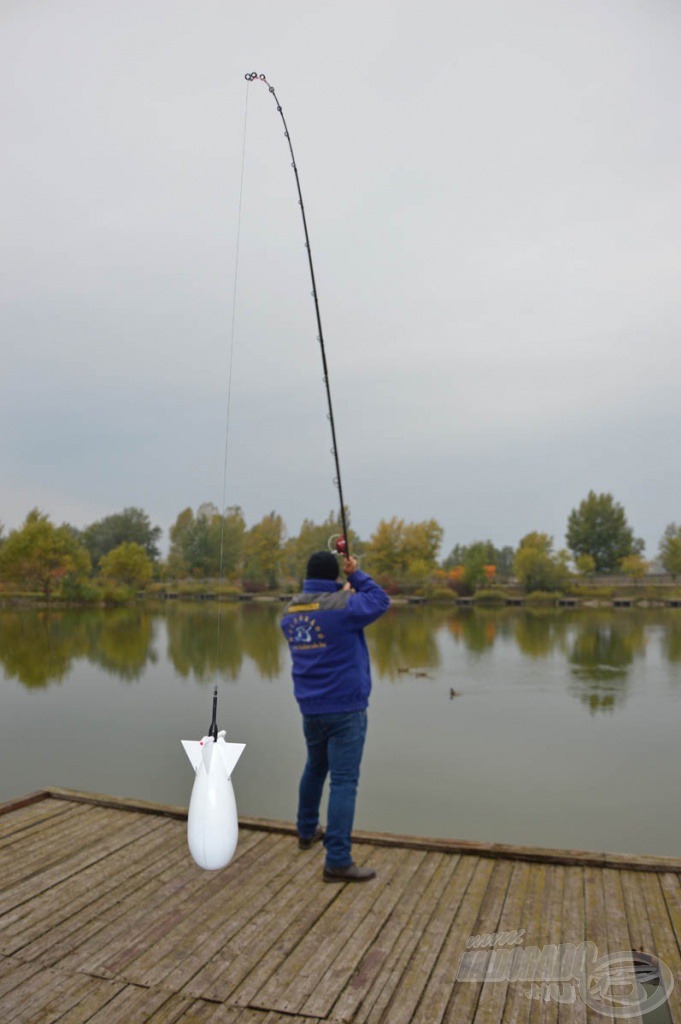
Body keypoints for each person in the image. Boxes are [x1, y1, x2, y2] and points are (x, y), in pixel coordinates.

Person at [281, 549, 390, 882]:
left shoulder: (291, 610)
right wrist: (356, 574)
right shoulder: (345, 607)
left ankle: (305, 831)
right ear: (334, 577)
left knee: (315, 767)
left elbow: (323, 613)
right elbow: (380, 600)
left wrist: (343, 590)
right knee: (344, 781)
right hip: (345, 708)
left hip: (310, 708)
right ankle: (338, 860)